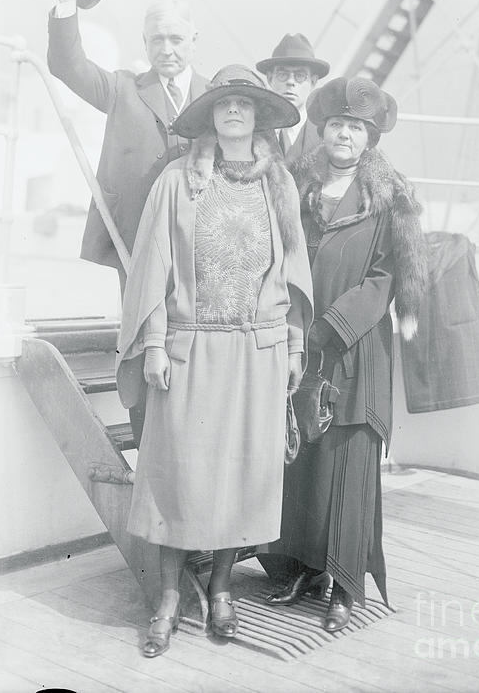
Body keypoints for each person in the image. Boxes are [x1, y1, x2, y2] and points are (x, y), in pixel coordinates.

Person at [115, 65, 313, 656]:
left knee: (239, 476)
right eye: (223, 102)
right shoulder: (178, 179)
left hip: (257, 352)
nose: (233, 111)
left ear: (258, 116)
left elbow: (294, 271)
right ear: (208, 115)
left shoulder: (279, 183)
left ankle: (223, 589)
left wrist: (294, 346)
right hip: (189, 348)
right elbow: (152, 266)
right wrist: (154, 344)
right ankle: (168, 599)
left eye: (244, 103)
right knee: (177, 477)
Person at [266, 76, 428, 632]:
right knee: (303, 461)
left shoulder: (388, 197)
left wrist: (328, 329)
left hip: (354, 349)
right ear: (323, 129)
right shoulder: (296, 187)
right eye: (336, 124)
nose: (344, 135)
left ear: (370, 138)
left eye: (356, 128)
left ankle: (345, 584)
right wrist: (296, 329)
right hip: (300, 343)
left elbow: (385, 278)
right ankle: (303, 569)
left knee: (348, 463)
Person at [47, 0, 208, 444]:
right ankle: (149, 461)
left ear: (194, 40)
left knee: (200, 356)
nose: (167, 48)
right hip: (137, 250)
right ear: (144, 43)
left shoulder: (219, 100)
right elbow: (67, 64)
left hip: (205, 254)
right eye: (157, 39)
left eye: (176, 38)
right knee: (141, 350)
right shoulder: (122, 90)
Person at [256, 33, 329, 167]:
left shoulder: (324, 136)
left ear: (313, 82)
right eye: (282, 74)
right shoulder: (254, 127)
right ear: (270, 79)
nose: (290, 82)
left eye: (300, 75)